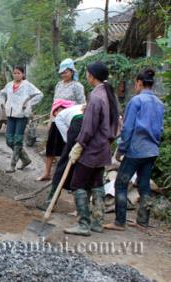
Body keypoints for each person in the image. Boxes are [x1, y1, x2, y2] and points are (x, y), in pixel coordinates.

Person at [104, 68, 164, 231]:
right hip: (152, 149)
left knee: (121, 184)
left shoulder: (136, 101)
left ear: (139, 83)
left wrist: (121, 149)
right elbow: (160, 129)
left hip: (136, 149)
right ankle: (143, 221)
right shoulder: (159, 103)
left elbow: (128, 128)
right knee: (144, 185)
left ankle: (119, 221)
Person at [64, 62, 119, 236]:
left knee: (77, 183)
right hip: (103, 148)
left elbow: (88, 127)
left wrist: (80, 144)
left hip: (92, 149)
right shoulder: (109, 94)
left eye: (87, 73)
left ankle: (83, 224)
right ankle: (97, 222)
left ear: (92, 76)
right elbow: (116, 122)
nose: (87, 76)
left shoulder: (96, 97)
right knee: (97, 183)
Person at [37, 58, 85, 181]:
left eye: (66, 72)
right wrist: (50, 119)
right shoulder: (58, 85)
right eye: (62, 72)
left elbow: (82, 104)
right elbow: (54, 102)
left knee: (68, 147)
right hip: (56, 120)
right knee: (51, 147)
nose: (63, 74)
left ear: (72, 71)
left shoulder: (77, 86)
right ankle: (47, 173)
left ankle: (68, 178)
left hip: (69, 122)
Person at [0, 66, 43, 173]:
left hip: (22, 115)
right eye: (14, 73)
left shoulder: (27, 85)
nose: (16, 75)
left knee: (17, 140)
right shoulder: (9, 85)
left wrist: (28, 103)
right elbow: (1, 93)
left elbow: (40, 94)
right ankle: (26, 159)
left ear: (23, 74)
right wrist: (3, 103)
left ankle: (12, 165)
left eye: (19, 73)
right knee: (9, 140)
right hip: (10, 114)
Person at [43, 100, 85, 207]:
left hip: (79, 123)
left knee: (64, 163)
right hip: (92, 123)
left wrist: (72, 148)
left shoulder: (60, 117)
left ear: (58, 109)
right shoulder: (77, 107)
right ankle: (82, 205)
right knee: (84, 162)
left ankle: (50, 201)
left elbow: (67, 138)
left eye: (54, 112)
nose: (55, 114)